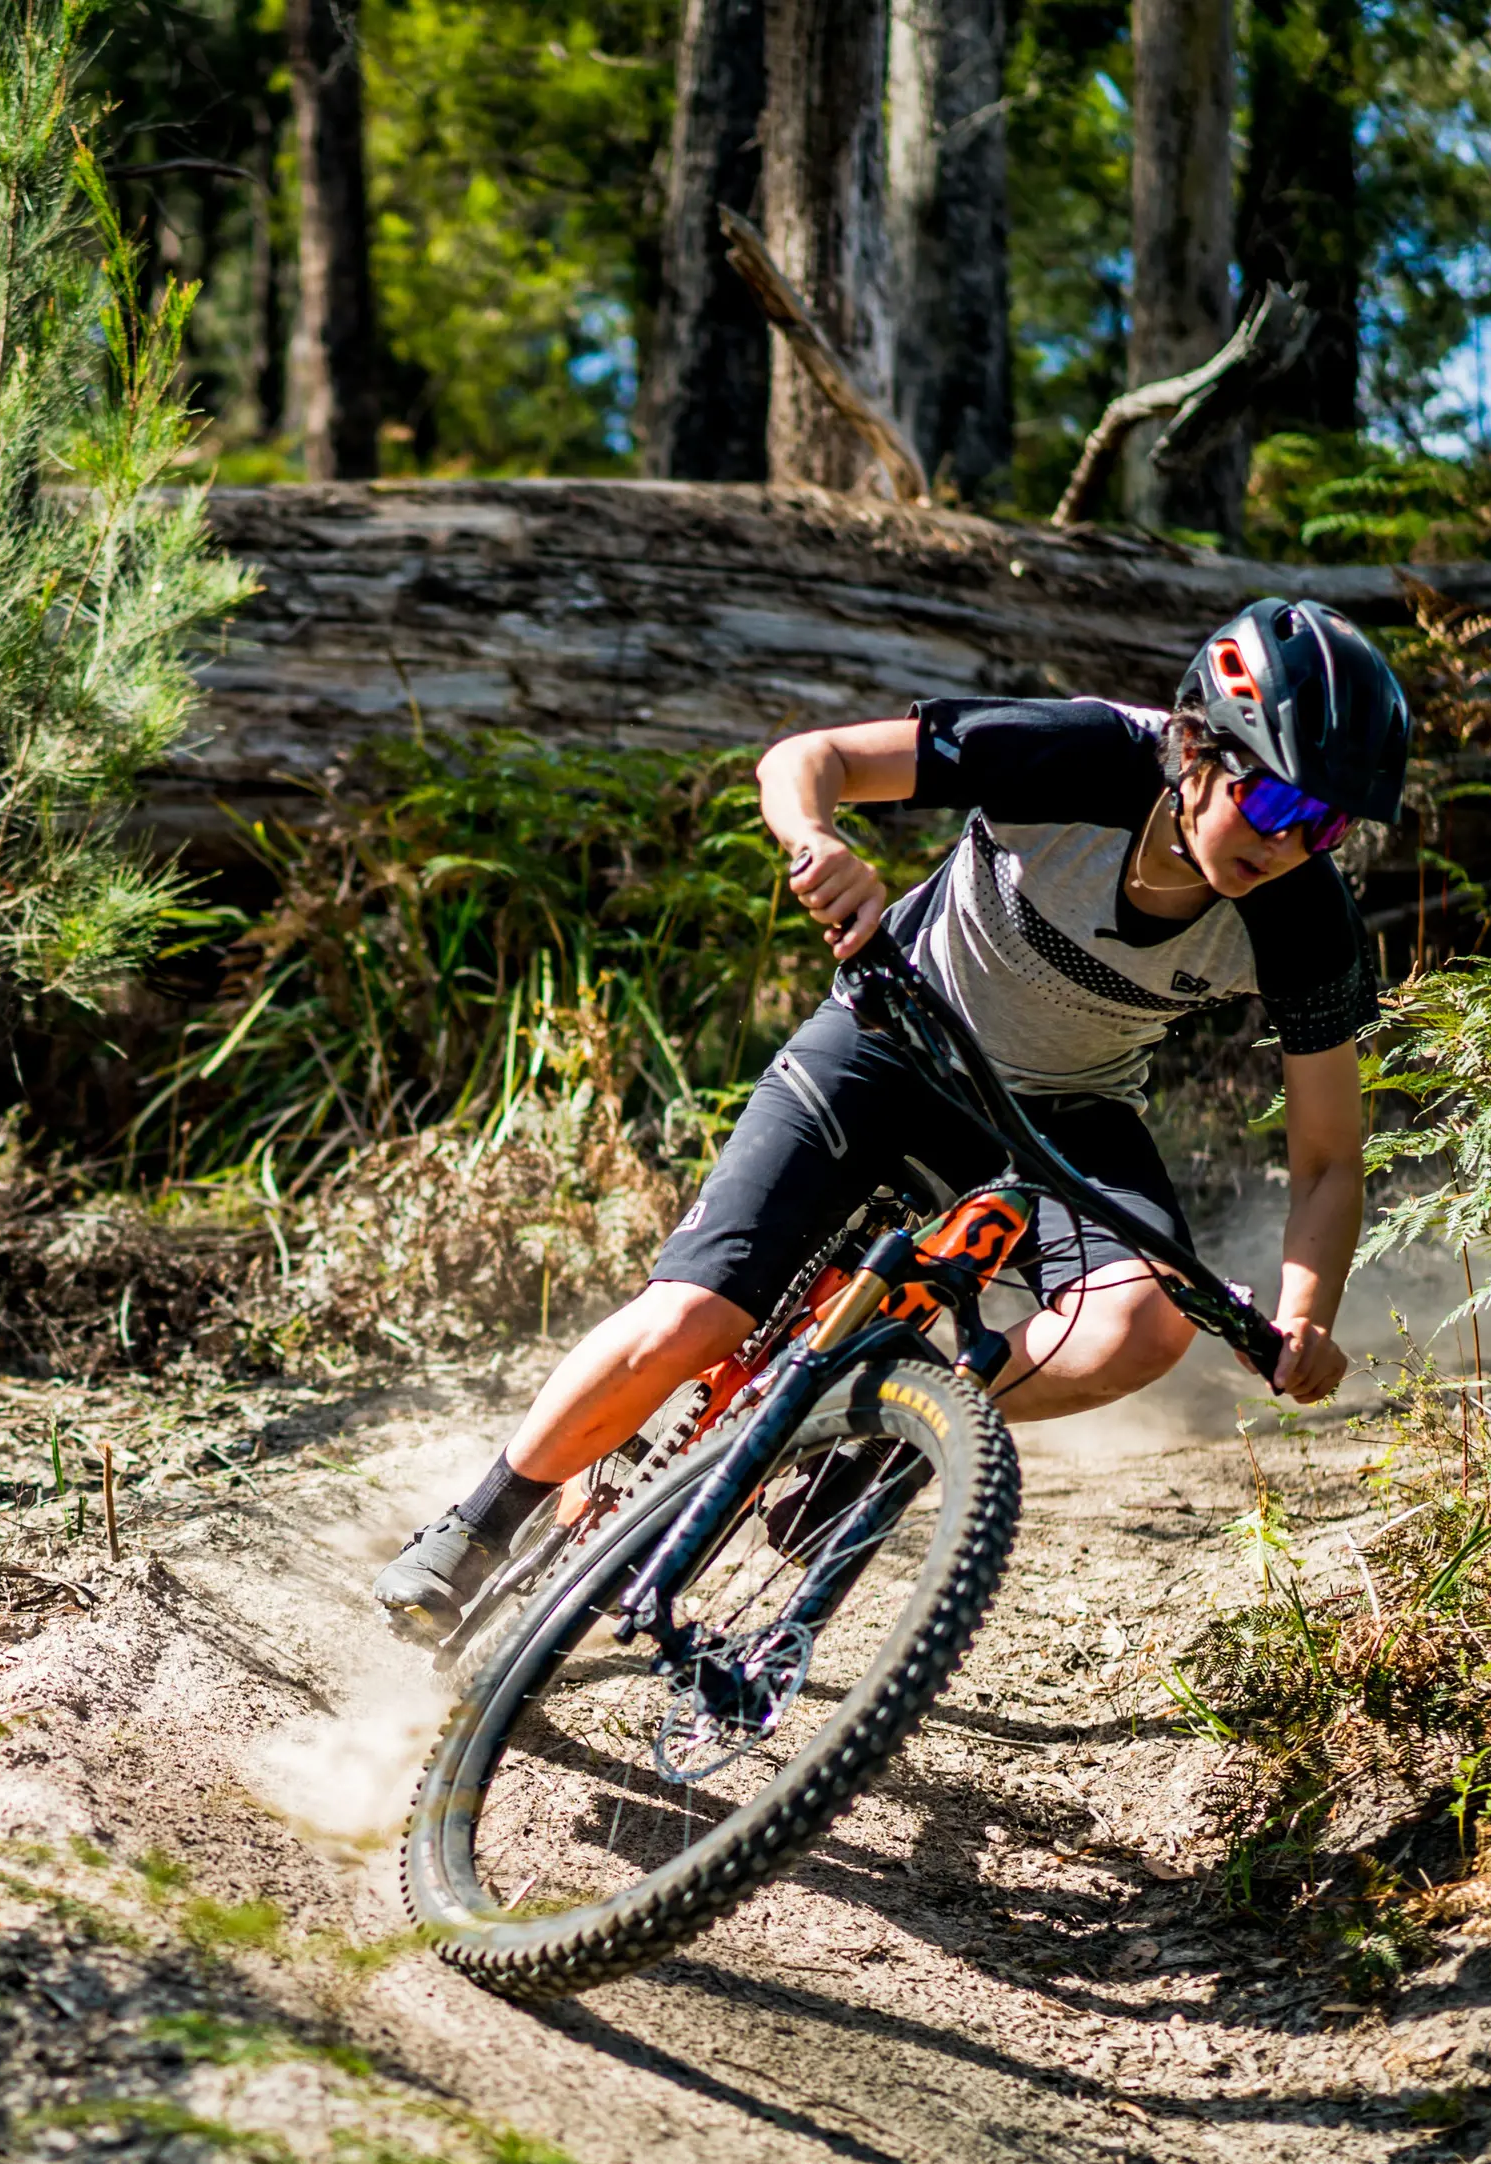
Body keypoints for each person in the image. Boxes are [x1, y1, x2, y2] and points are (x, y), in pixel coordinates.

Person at [373, 597, 1413, 1642]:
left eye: (1324, 824)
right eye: (1276, 800)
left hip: (1063, 1113)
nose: (1290, 844)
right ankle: (478, 1524)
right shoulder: (1080, 755)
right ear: (1197, 745)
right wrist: (816, 841)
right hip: (893, 1040)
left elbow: (1327, 1161)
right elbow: (807, 757)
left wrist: (1306, 1312)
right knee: (696, 1320)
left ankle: (884, 1419)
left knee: (1141, 1327)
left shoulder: (1303, 921)